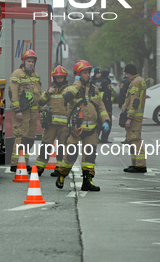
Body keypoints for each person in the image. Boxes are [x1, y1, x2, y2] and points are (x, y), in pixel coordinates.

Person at [55, 60, 110, 192]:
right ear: (78, 74)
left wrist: (106, 120)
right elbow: (67, 97)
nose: (87, 75)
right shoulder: (72, 88)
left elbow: (101, 106)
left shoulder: (94, 89)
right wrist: (77, 83)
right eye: (84, 72)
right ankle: (62, 175)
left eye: (88, 72)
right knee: (71, 155)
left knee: (90, 157)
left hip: (91, 130)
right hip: (75, 129)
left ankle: (87, 181)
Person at [9, 49, 42, 172]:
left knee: (29, 138)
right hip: (22, 112)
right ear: (23, 62)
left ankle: (24, 162)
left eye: (32, 61)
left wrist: (42, 109)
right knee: (20, 137)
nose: (31, 63)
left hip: (33, 113)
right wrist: (17, 110)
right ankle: (15, 163)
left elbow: (38, 94)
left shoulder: (35, 76)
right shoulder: (16, 74)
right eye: (29, 61)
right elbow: (13, 93)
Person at [35, 65, 70, 176]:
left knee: (61, 147)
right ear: (54, 78)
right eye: (57, 77)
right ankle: (39, 168)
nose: (59, 79)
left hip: (64, 125)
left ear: (65, 78)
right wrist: (48, 92)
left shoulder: (69, 91)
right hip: (51, 125)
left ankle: (59, 169)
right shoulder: (50, 90)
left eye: (61, 77)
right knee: (45, 145)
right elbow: (41, 102)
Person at [122, 63, 148, 173]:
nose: (126, 76)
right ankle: (135, 164)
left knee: (136, 140)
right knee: (132, 140)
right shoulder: (138, 81)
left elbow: (134, 102)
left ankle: (140, 165)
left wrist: (129, 118)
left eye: (126, 74)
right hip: (135, 117)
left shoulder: (135, 82)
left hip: (134, 118)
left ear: (129, 73)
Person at [95, 69, 113, 143]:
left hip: (97, 104)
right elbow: (107, 93)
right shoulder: (106, 82)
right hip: (106, 105)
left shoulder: (96, 81)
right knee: (108, 121)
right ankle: (104, 138)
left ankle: (96, 137)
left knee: (98, 122)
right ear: (107, 75)